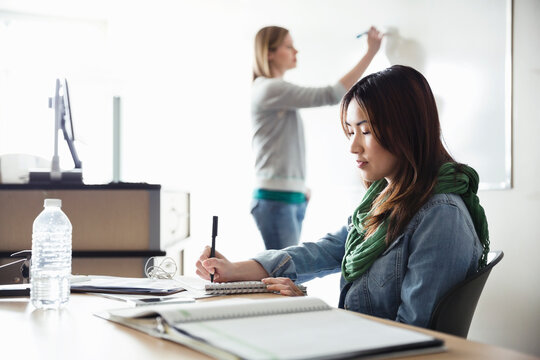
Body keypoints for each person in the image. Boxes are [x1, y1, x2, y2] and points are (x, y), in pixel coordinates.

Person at [197, 65, 491, 328]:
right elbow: (328, 249)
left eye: (365, 131)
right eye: (350, 131)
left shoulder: (441, 215)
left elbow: (411, 337)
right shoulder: (384, 199)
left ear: (406, 130)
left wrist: (314, 313)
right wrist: (237, 270)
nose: (353, 147)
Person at [251, 25, 383, 250]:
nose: (296, 51)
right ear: (269, 53)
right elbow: (331, 94)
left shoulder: (273, 92)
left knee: (284, 270)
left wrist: (300, 186)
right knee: (282, 273)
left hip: (287, 196)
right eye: (288, 46)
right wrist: (371, 52)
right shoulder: (270, 88)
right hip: (277, 199)